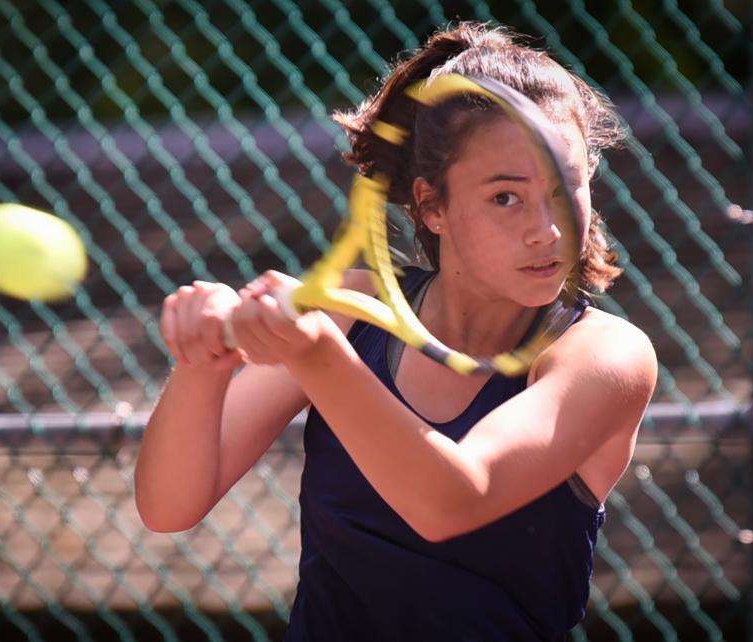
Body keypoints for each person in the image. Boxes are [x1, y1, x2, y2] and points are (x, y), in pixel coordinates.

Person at [135, 21, 657, 641]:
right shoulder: (351, 307)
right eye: (505, 198)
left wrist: (319, 358)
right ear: (431, 205)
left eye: (565, 186)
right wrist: (203, 364)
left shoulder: (604, 355)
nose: (548, 229)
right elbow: (168, 507)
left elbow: (453, 501)